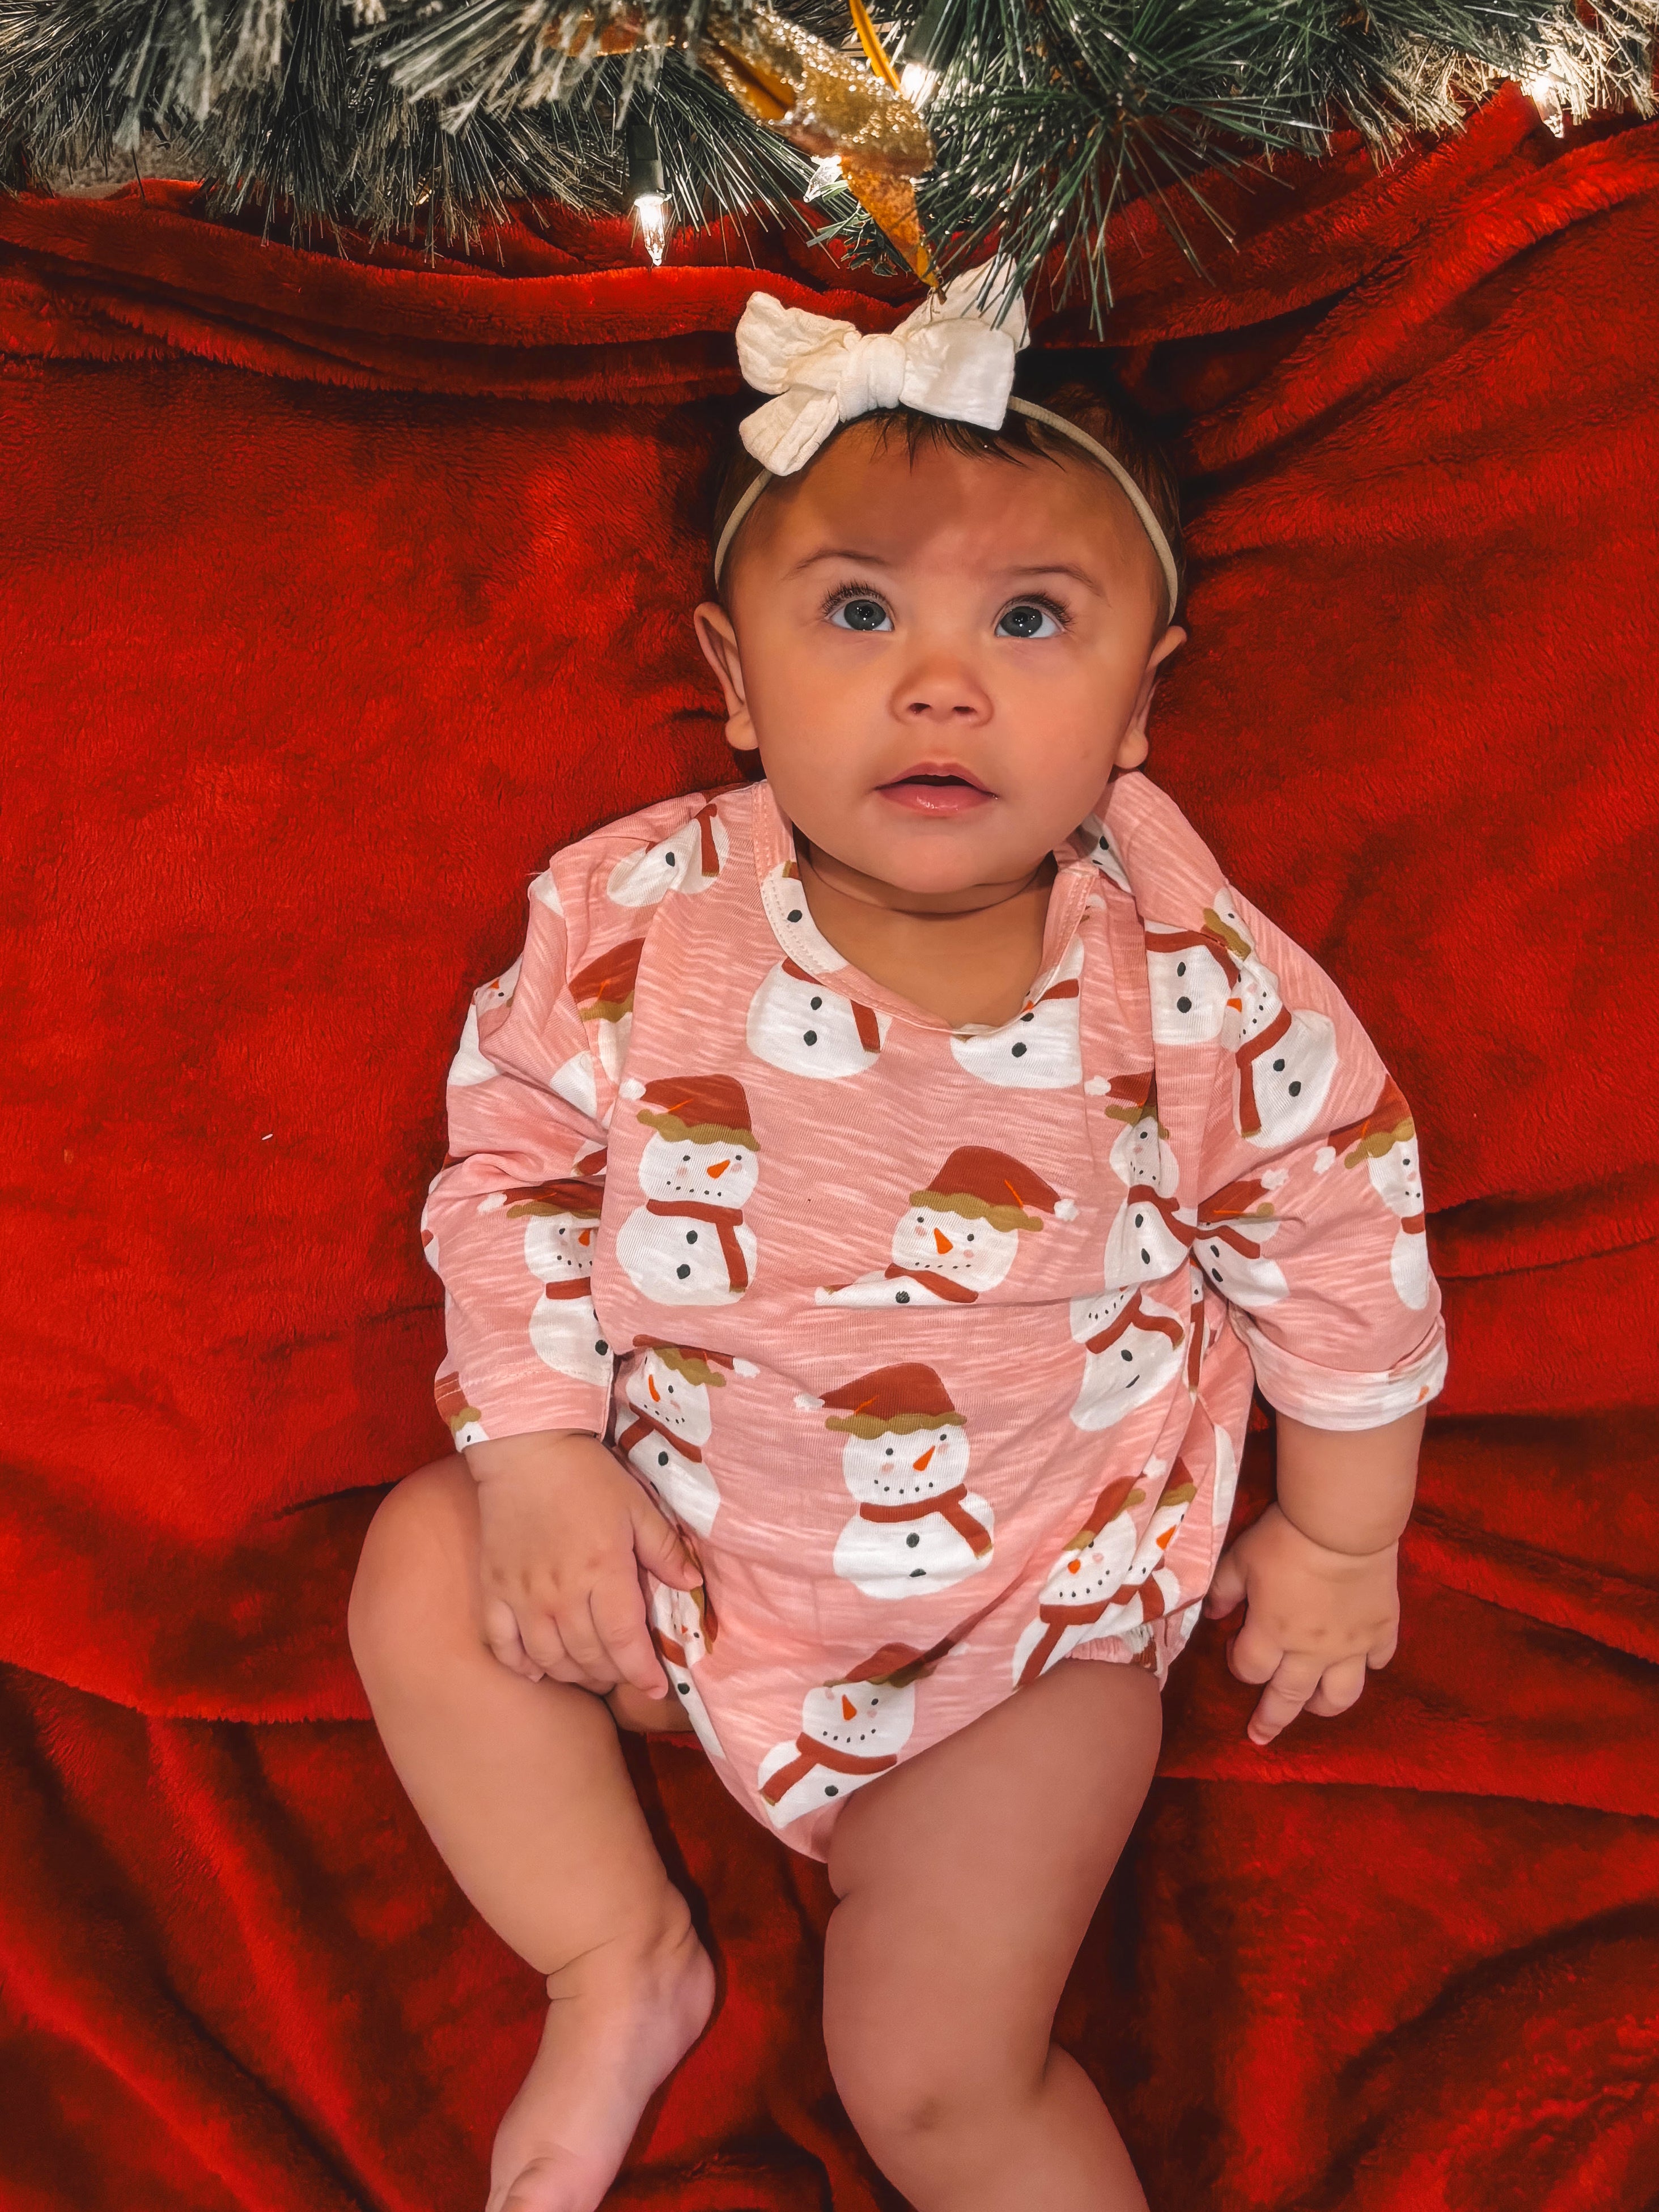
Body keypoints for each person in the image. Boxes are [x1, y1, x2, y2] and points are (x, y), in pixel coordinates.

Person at [348, 261, 1447, 2212]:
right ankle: (617, 1956)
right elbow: (506, 1174)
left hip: (1021, 1639)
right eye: (859, 613)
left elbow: (1342, 1225)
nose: (941, 685)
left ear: (1142, 699)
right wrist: (531, 1463)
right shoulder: (630, 916)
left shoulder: (1187, 979)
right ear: (733, 667)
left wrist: (1345, 1531)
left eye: (1032, 621)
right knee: (419, 1574)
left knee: (927, 2076)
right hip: (669, 1572)